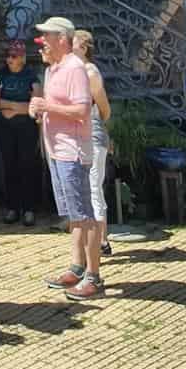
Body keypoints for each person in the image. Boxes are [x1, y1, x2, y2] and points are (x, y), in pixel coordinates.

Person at [31, 16, 102, 300]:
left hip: (73, 151)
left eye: (46, 36)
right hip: (57, 150)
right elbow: (58, 107)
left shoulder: (74, 68)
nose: (42, 42)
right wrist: (41, 110)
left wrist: (47, 106)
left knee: (85, 214)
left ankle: (94, 277)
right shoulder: (54, 68)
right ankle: (77, 267)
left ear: (62, 39)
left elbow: (82, 111)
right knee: (74, 214)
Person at [0, 40, 43, 226]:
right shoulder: (0, 74)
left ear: (22, 58)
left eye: (13, 56)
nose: (9, 59)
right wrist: (19, 106)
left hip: (26, 128)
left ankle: (29, 209)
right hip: (5, 129)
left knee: (27, 166)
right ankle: (12, 207)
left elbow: (36, 103)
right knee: (9, 166)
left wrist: (10, 106)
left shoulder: (31, 75)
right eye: (8, 55)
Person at [73, 30, 112, 256]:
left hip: (93, 136)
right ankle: (98, 239)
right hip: (78, 137)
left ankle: (100, 241)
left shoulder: (90, 71)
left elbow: (105, 108)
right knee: (87, 191)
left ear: (85, 47)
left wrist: (98, 127)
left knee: (94, 190)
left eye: (74, 41)